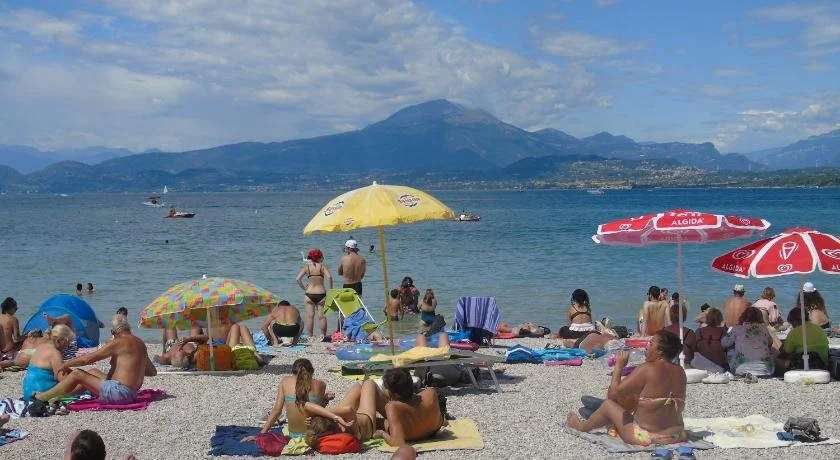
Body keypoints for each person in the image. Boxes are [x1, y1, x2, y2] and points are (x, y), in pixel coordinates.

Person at [565, 330, 687, 446]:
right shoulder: (680, 371)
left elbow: (613, 394)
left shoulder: (647, 368)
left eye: (651, 343)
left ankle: (582, 427)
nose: (646, 346)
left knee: (608, 405)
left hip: (648, 437)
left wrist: (619, 366)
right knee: (633, 398)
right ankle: (603, 417)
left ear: (660, 351)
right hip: (677, 435)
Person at [33, 315, 157, 405]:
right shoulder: (140, 343)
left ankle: (43, 397)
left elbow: (88, 359)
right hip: (131, 394)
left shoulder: (118, 342)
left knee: (77, 374)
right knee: (93, 372)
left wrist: (65, 364)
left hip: (120, 394)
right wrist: (133, 368)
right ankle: (61, 394)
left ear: (113, 332)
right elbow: (152, 372)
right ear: (128, 328)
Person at [241, 358, 330, 440]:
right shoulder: (321, 385)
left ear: (293, 371)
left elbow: (277, 411)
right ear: (312, 371)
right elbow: (318, 410)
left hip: (293, 436)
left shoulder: (285, 382)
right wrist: (326, 400)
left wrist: (260, 436)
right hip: (313, 436)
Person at [374, 367, 445, 446]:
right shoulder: (430, 392)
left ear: (393, 394)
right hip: (433, 430)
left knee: (380, 422)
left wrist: (382, 434)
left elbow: (396, 442)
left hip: (411, 436)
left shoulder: (392, 406)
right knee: (439, 398)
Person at [21, 325, 75, 401]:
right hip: (41, 393)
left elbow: (58, 368)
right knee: (80, 389)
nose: (67, 347)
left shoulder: (41, 347)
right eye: (67, 344)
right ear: (59, 341)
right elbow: (62, 378)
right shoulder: (55, 354)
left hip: (28, 392)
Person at [721, 307, 775, 377]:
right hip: (766, 370)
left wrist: (725, 333)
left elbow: (724, 344)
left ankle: (733, 367)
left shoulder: (737, 328)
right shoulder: (764, 328)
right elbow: (770, 342)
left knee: (730, 346)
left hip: (740, 370)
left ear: (743, 317)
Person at [295, 249, 333, 340]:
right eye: (322, 256)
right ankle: (323, 336)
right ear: (319, 258)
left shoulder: (306, 268)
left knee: (310, 316)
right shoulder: (322, 267)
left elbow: (298, 279)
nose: (323, 258)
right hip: (321, 294)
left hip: (309, 294)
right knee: (322, 317)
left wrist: (304, 288)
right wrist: (331, 290)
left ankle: (310, 336)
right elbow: (329, 277)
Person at [777, 307, 829, 372]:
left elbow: (786, 353)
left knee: (779, 359)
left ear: (795, 321)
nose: (792, 326)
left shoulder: (795, 332)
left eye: (792, 323)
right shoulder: (819, 329)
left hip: (803, 365)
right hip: (822, 364)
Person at [690, 307, 728, 373]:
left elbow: (693, 347)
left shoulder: (699, 331)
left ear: (707, 318)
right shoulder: (722, 332)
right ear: (720, 319)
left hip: (700, 366)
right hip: (718, 367)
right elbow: (727, 347)